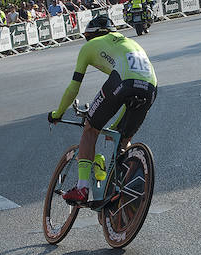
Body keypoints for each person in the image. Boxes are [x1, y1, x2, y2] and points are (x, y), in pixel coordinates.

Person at [47, 15, 157, 203]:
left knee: (91, 128)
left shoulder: (89, 46)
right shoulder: (129, 42)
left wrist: (58, 113)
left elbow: (74, 87)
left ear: (92, 35)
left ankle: (82, 188)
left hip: (124, 80)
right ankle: (123, 187)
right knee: (120, 138)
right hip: (150, 86)